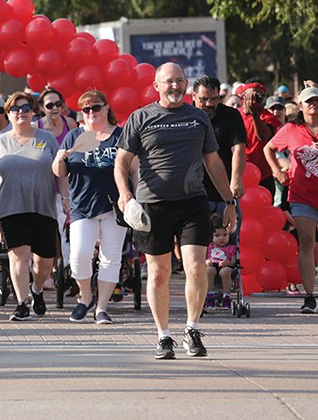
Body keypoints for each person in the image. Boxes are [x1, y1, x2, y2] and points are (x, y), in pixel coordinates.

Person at [114, 63, 237, 360]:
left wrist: (229, 202)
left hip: (192, 202)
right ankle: (163, 336)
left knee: (196, 266)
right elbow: (121, 162)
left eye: (181, 81)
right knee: (158, 273)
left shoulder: (197, 117)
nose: (175, 86)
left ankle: (193, 329)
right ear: (156, 85)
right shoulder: (141, 117)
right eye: (169, 81)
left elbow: (214, 162)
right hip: (152, 204)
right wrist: (126, 196)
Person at [0, 92, 65, 322]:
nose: (22, 112)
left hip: (43, 207)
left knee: (44, 261)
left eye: (27, 107)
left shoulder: (47, 139)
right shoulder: (0, 143)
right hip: (10, 207)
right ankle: (22, 302)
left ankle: (37, 289)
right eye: (16, 109)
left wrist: (66, 199)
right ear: (8, 114)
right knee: (19, 255)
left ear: (34, 111)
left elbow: (60, 173)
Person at [52, 90, 128, 324]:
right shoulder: (74, 136)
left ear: (106, 108)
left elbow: (132, 167)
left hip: (114, 206)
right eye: (86, 109)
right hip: (82, 205)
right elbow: (60, 172)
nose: (91, 112)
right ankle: (85, 298)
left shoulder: (120, 135)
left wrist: (132, 198)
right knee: (79, 255)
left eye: (96, 107)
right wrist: (59, 159)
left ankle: (102, 308)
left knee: (111, 258)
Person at [264, 86, 318, 314]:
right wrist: (276, 170)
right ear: (301, 106)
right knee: (306, 242)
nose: (313, 104)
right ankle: (309, 296)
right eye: (309, 101)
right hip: (302, 195)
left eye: (317, 100)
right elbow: (269, 148)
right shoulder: (291, 129)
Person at [191, 76, 247, 224]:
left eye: (215, 99)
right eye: (204, 99)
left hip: (225, 192)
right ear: (194, 96)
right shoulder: (186, 116)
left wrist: (236, 180)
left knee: (229, 243)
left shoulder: (231, 115)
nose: (209, 104)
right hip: (195, 194)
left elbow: (238, 148)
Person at [239, 82, 281, 195]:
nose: (256, 100)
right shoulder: (235, 116)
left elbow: (264, 136)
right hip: (240, 174)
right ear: (243, 97)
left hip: (263, 176)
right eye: (253, 96)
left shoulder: (269, 117)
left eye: (260, 96)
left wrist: (254, 114)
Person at [204, 215, 237, 310]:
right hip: (212, 265)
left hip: (225, 266)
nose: (221, 238)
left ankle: (226, 296)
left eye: (225, 235)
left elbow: (233, 262)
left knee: (225, 272)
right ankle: (209, 295)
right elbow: (203, 259)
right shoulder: (209, 247)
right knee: (209, 270)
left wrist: (228, 262)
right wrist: (206, 261)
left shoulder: (230, 248)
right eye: (217, 236)